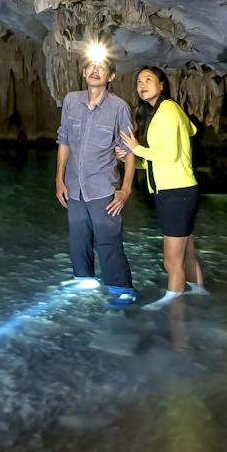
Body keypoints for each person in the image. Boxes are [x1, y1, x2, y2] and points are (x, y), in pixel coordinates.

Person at [114, 66, 204, 310]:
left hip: (175, 193)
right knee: (186, 253)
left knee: (171, 260)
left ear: (162, 84)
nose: (141, 85)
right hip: (182, 189)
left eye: (148, 79)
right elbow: (162, 158)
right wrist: (133, 159)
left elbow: (169, 154)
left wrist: (135, 148)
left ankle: (174, 301)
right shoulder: (166, 111)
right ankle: (199, 294)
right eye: (138, 81)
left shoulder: (167, 110)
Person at [56, 48, 136, 302]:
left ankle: (122, 289)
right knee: (78, 239)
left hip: (103, 188)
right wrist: (59, 179)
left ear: (110, 76)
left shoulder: (118, 108)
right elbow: (64, 140)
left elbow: (130, 151)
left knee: (108, 240)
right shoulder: (71, 101)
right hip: (74, 186)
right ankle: (84, 280)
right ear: (83, 72)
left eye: (101, 67)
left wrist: (126, 189)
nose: (94, 70)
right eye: (90, 66)